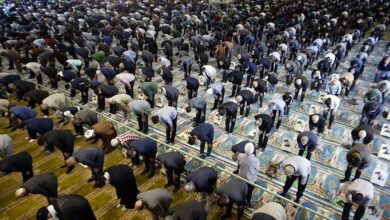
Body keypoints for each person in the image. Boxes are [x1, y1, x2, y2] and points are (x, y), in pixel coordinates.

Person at [237, 142, 259, 207]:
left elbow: (238, 163)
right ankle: (248, 203)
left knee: (241, 190)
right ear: (253, 151)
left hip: (241, 177)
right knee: (249, 192)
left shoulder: (240, 155)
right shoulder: (256, 160)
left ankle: (239, 200)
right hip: (250, 180)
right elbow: (257, 169)